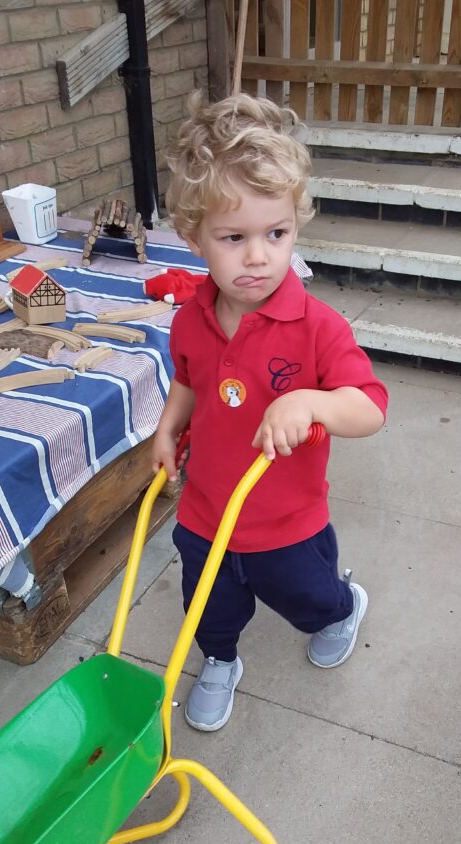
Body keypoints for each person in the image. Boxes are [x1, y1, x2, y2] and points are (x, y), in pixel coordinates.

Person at [151, 91, 388, 732]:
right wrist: (170, 426)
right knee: (208, 608)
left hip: (287, 521)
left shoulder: (316, 327)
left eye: (276, 234)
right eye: (234, 238)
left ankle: (342, 607)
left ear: (295, 226)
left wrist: (310, 400)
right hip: (206, 511)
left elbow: (369, 408)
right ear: (194, 237)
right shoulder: (191, 319)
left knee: (306, 598)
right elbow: (190, 379)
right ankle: (221, 660)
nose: (258, 256)